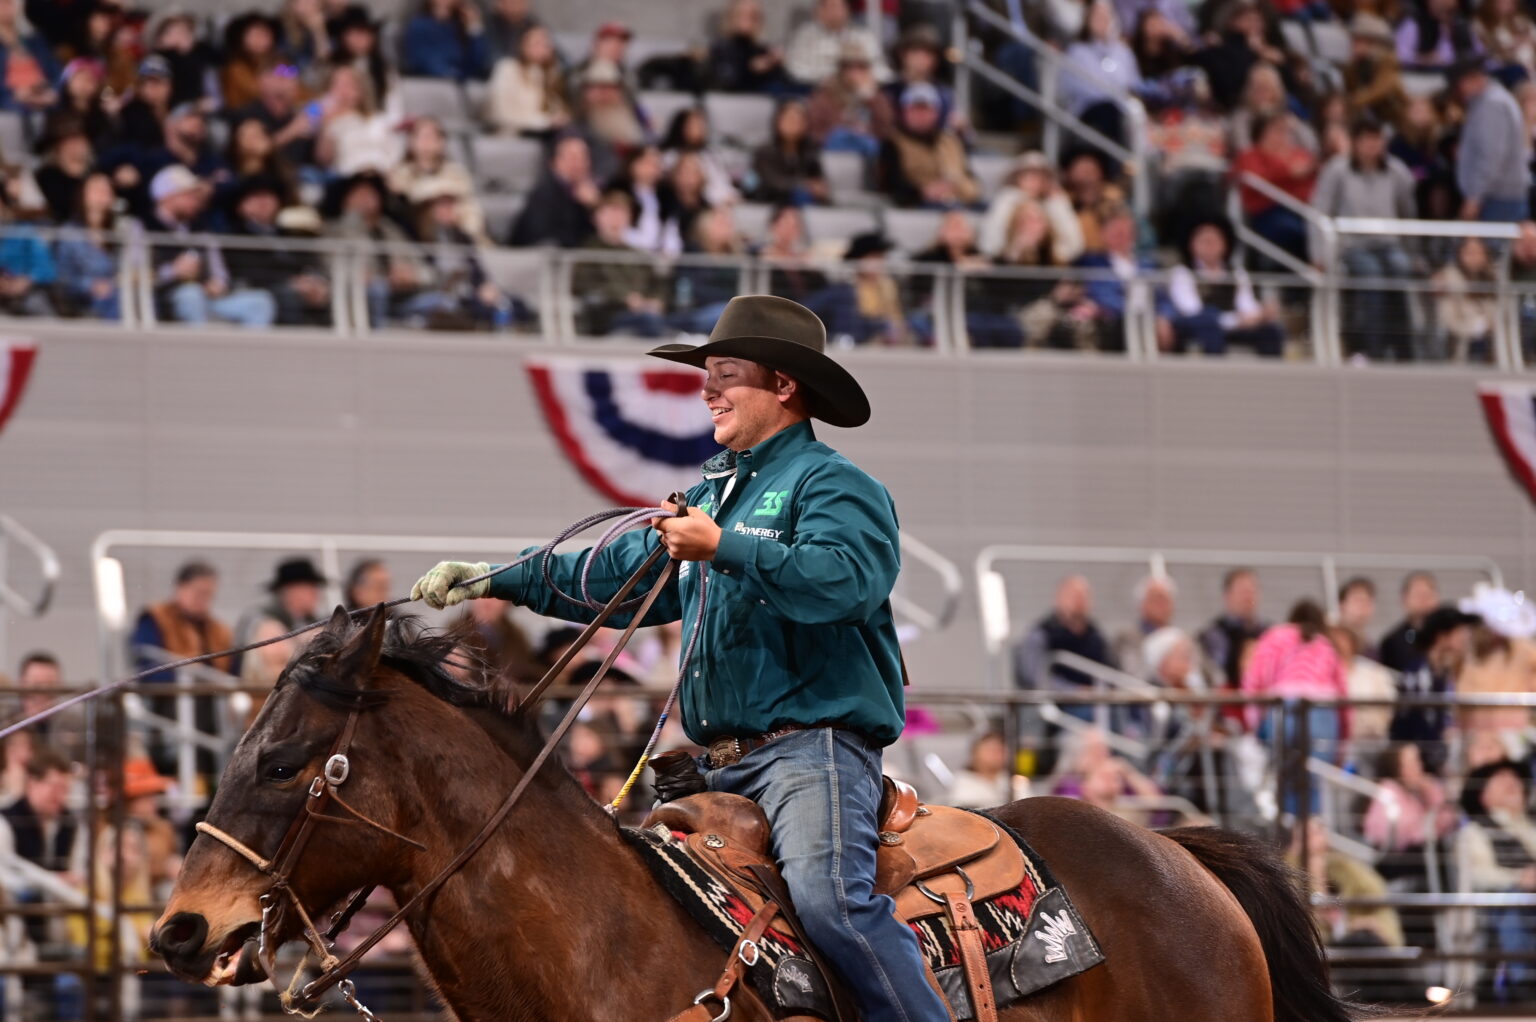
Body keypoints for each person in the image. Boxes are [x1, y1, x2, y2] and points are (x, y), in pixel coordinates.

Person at [412, 293, 954, 1022]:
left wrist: (723, 547)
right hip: (719, 764)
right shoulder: (710, 496)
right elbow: (616, 574)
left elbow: (849, 582)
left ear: (783, 385)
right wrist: (498, 578)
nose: (707, 391)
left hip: (813, 753)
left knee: (834, 905)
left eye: (726, 374)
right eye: (708, 375)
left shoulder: (833, 483)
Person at [1311, 114, 1417, 361]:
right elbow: (1320, 212)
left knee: (1400, 270)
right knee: (1372, 275)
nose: (1372, 145)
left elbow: (1407, 212)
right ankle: (1372, 349)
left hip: (1388, 244)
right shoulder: (1337, 170)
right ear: (1355, 142)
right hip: (1352, 246)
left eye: (1376, 139)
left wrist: (1412, 252)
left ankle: (1404, 350)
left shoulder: (1397, 172)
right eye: (1366, 139)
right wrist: (1319, 254)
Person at [146, 164, 277, 328]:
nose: (195, 201)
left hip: (207, 298)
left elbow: (219, 273)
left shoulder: (200, 228)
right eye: (188, 195)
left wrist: (218, 283)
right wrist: (173, 271)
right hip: (166, 298)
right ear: (167, 196)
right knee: (190, 294)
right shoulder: (144, 227)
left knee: (260, 301)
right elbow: (135, 275)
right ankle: (197, 345)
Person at [1456, 759, 1536, 999]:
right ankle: (1525, 986)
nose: (1512, 784)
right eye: (1501, 780)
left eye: (1515, 780)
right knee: (1514, 902)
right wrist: (1519, 878)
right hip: (1498, 906)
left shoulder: (1530, 828)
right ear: (1483, 794)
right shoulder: (1474, 831)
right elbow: (1478, 875)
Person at [1163, 216, 1284, 356]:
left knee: (1271, 331)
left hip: (1231, 325)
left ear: (1225, 244)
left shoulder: (1236, 273)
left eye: (1214, 241)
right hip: (1197, 326)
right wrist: (1235, 320)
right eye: (1204, 241)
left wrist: (1262, 313)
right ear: (1192, 244)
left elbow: (1247, 305)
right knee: (1208, 323)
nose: (1210, 246)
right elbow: (1192, 310)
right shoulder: (1183, 273)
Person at [1241, 599, 1347, 749]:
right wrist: (1345, 736)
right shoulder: (1326, 645)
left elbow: (1253, 681)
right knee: (1318, 763)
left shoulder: (1275, 637)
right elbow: (1343, 693)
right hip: (1322, 710)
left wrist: (1255, 723)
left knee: (1282, 762)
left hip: (1282, 708)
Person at [1014, 574, 1117, 721]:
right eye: (1073, 595)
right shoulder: (1042, 633)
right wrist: (1075, 691)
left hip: (1097, 703)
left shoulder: (1097, 636)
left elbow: (1111, 671)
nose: (1078, 601)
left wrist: (1099, 691)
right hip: (1057, 707)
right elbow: (1035, 676)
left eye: (1083, 596)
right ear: (1058, 598)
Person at [570, 189, 667, 336]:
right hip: (609, 316)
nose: (616, 219)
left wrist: (656, 300)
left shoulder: (638, 255)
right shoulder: (588, 253)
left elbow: (658, 283)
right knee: (650, 322)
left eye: (621, 213)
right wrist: (624, 298)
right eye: (610, 213)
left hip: (646, 313)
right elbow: (583, 286)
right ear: (597, 218)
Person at [234, 556, 327, 707]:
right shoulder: (262, 621)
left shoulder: (314, 621)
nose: (316, 593)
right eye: (310, 587)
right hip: (266, 701)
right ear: (291, 590)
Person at [1452, 58, 1531, 223]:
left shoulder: (1492, 104)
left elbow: (1491, 155)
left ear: (1471, 79)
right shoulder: (1490, 101)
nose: (1459, 91)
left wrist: (1475, 196)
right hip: (1498, 195)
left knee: (1494, 240)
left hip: (1499, 197)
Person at [878, 82, 980, 209]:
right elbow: (891, 186)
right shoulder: (892, 143)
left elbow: (971, 178)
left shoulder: (951, 141)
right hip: (918, 206)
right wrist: (923, 192)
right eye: (915, 109)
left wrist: (959, 187)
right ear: (904, 112)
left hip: (961, 202)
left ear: (936, 113)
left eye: (926, 109)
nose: (921, 115)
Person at [388, 115, 485, 242]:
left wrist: (455, 216)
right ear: (411, 141)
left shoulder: (456, 174)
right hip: (414, 239)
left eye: (432, 136)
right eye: (422, 136)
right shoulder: (400, 174)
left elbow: (471, 211)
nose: (427, 142)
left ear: (441, 142)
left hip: (456, 236)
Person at [979, 151, 1084, 263]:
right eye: (1028, 174)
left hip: (1047, 264)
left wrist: (1059, 204)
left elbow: (1074, 247)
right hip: (1008, 265)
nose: (1034, 180)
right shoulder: (1006, 201)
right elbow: (989, 245)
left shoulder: (1054, 205)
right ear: (1017, 178)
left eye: (1040, 176)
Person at [806, 41, 894, 162]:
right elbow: (815, 130)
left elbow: (885, 129)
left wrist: (870, 98)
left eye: (861, 67)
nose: (855, 73)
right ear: (841, 70)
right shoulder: (825, 94)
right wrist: (843, 135)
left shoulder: (876, 96)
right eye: (849, 67)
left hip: (868, 154)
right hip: (833, 153)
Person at [508, 133, 601, 247]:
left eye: (584, 158)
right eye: (573, 158)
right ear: (556, 161)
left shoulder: (590, 194)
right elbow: (545, 237)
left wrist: (594, 207)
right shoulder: (544, 194)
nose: (580, 164)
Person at [1198, 566, 1267, 717]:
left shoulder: (1269, 634)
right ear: (1227, 596)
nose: (1248, 597)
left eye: (1252, 590)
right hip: (1225, 710)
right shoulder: (1211, 636)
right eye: (1242, 591)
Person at [55, 172, 123, 319]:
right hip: (82, 299)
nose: (102, 194)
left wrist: (114, 284)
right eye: (96, 189)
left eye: (106, 190)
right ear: (83, 195)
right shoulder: (70, 233)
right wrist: (91, 286)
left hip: (115, 293)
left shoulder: (118, 233)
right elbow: (63, 276)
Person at [483, 23, 569, 139]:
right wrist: (544, 122)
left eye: (546, 43)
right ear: (522, 45)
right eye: (537, 43)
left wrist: (558, 119)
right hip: (515, 133)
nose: (542, 47)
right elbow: (501, 113)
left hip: (547, 133)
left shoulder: (551, 74)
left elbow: (557, 109)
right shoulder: (507, 69)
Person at [784, 0, 890, 88]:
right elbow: (795, 69)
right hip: (814, 91)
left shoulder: (864, 37)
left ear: (847, 10)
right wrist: (830, 78)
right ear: (817, 11)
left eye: (835, 6)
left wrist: (862, 76)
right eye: (826, 7)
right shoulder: (805, 35)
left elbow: (882, 71)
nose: (832, 12)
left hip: (859, 92)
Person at [750, 99, 828, 204]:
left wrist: (818, 188)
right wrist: (804, 184)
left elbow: (817, 180)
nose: (793, 124)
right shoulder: (764, 152)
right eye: (789, 119)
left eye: (798, 120)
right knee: (800, 194)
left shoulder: (810, 152)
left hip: (803, 201)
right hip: (770, 200)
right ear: (778, 121)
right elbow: (773, 182)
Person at [1434, 236, 1500, 360]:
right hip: (1462, 343)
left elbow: (1501, 312)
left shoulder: (1494, 277)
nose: (1473, 258)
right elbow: (1448, 320)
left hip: (1492, 341)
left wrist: (1490, 325)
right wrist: (1476, 327)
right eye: (1469, 253)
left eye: (1478, 253)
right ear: (1460, 254)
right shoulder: (1449, 279)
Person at [707, 0, 787, 94]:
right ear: (731, 17)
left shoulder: (764, 52)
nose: (746, 21)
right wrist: (750, 70)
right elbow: (725, 82)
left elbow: (781, 86)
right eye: (741, 15)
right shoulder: (721, 49)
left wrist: (775, 65)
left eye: (752, 16)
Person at [401, 0, 490, 82]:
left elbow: (476, 63)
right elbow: (422, 60)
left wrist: (475, 28)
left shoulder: (460, 26)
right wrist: (451, 74)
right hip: (430, 82)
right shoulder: (419, 25)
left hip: (462, 83)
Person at [1344, 14, 1406, 125]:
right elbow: (1350, 87)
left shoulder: (1388, 61)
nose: (1353, 45)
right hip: (1370, 116)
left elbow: (1379, 89)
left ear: (1372, 42)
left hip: (1394, 116)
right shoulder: (1356, 65)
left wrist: (1351, 102)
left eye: (1358, 40)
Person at [1113, 574, 1177, 678]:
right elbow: (1133, 674)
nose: (1162, 605)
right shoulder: (1127, 638)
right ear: (1141, 603)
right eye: (1157, 599)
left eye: (1166, 599)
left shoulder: (1181, 639)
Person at [947, 732, 1029, 808]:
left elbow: (1027, 806)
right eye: (990, 750)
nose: (996, 754)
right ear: (975, 754)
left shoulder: (1015, 781)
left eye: (1001, 750)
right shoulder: (964, 782)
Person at [1380, 570, 1439, 674]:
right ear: (1404, 599)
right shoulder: (1392, 643)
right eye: (1418, 595)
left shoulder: (1445, 639)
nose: (1423, 601)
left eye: (1428, 595)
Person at [1397, 0, 1482, 71]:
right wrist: (1422, 59)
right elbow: (1399, 56)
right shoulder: (1414, 24)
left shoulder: (1463, 25)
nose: (1446, 3)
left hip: (1458, 77)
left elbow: (1479, 53)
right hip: (1424, 77)